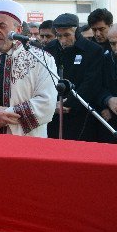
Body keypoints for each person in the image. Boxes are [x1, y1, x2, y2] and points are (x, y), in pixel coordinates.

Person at [0, 0, 57, 136]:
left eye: (2, 26)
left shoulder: (41, 59)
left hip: (27, 141)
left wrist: (4, 115)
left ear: (18, 29)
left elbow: (46, 103)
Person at [45, 13, 103, 141]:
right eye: (59, 36)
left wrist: (70, 102)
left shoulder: (93, 50)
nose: (63, 40)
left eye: (67, 35)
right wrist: (52, 103)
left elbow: (91, 82)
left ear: (76, 32)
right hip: (53, 111)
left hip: (80, 112)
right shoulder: (50, 49)